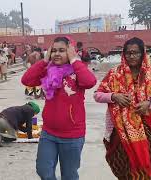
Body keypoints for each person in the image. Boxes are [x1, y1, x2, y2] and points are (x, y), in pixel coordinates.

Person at [93, 37, 151, 180]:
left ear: (143, 53)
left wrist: (149, 104)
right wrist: (114, 96)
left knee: (142, 171)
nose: (132, 56)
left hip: (148, 132)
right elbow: (97, 95)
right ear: (124, 54)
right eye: (128, 53)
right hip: (119, 133)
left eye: (135, 53)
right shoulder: (114, 73)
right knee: (123, 169)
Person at [22, 36, 97, 180]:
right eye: (54, 50)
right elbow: (26, 80)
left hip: (72, 135)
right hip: (49, 133)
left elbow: (90, 82)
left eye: (62, 50)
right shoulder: (47, 71)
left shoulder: (77, 73)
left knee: (69, 175)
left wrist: (74, 60)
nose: (57, 54)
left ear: (70, 52)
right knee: (43, 170)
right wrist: (44, 61)